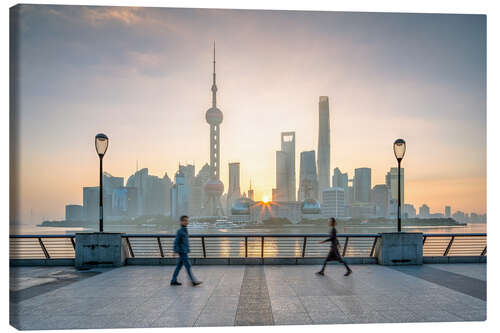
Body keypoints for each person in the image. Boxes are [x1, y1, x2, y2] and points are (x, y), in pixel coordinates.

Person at [170, 215, 202, 286]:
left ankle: (173, 280)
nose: (186, 222)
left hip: (184, 251)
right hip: (182, 252)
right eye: (185, 220)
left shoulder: (185, 230)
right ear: (181, 222)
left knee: (178, 267)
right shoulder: (180, 231)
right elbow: (176, 241)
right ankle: (194, 281)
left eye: (187, 220)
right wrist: (175, 251)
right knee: (188, 266)